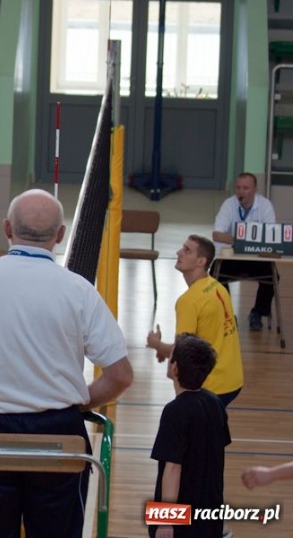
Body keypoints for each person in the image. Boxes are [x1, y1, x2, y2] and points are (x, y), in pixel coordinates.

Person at [0, 188, 133, 538]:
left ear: (6, 228)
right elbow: (120, 375)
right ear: (60, 235)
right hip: (59, 431)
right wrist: (77, 403)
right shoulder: (79, 290)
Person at [146, 235, 244, 408]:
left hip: (212, 386)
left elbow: (181, 354)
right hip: (233, 380)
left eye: (187, 250)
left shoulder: (189, 301)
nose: (179, 252)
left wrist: (156, 344)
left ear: (201, 261)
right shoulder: (218, 287)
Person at [150, 334, 230, 538]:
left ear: (175, 368)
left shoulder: (174, 411)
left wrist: (166, 522)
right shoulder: (215, 403)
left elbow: (173, 468)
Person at [212, 172, 277, 330]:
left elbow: (271, 235)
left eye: (245, 188)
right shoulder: (229, 204)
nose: (241, 192)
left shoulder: (265, 205)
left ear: (255, 189)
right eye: (238, 188)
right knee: (215, 274)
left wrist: (247, 242)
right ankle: (227, 313)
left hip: (256, 258)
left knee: (272, 276)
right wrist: (238, 241)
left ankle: (257, 313)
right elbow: (217, 234)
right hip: (233, 257)